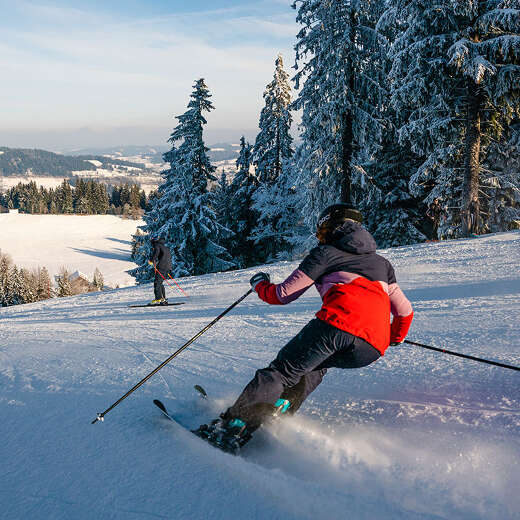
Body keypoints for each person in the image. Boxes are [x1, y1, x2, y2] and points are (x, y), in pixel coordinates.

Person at [194, 204, 414, 452]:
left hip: (336, 326)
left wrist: (259, 285)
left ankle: (231, 428)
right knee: (315, 366)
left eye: (322, 231)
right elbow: (405, 312)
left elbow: (283, 294)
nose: (321, 237)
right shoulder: (382, 263)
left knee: (278, 373)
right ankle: (277, 410)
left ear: (334, 227)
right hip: (372, 347)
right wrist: (394, 337)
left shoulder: (326, 253)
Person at [148, 237, 172, 305]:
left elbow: (156, 253)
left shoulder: (157, 245)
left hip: (162, 266)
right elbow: (169, 257)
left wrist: (151, 260)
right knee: (160, 282)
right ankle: (163, 299)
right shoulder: (165, 247)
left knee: (157, 282)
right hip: (168, 267)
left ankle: (158, 299)